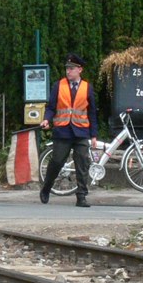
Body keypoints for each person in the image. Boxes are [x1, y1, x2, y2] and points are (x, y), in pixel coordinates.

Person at [39, 53, 97, 208]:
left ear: (80, 70)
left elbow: (92, 112)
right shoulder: (58, 86)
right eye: (67, 68)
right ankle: (46, 187)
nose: (68, 71)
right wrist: (46, 119)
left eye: (71, 68)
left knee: (82, 164)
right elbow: (51, 107)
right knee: (57, 161)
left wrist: (94, 135)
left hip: (81, 132)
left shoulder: (87, 88)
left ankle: (81, 196)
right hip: (63, 131)